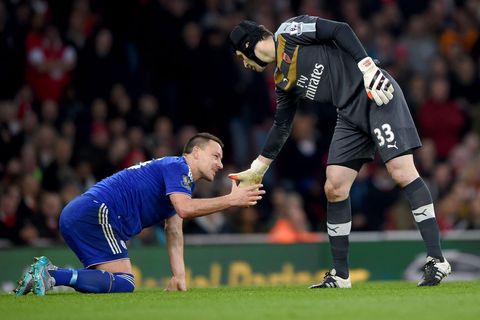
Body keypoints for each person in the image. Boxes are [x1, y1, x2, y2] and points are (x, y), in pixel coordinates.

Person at [229, 16, 451, 288]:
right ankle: (340, 275)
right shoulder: (282, 79)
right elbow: (282, 126)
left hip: (374, 93)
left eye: (242, 55)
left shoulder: (289, 32)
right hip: (348, 114)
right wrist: (258, 168)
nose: (245, 63)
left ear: (251, 44)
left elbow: (339, 30)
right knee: (334, 186)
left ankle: (437, 259)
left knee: (401, 171)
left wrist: (368, 67)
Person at [14, 133, 265, 295]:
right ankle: (50, 275)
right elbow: (185, 209)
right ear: (196, 153)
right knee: (124, 282)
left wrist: (179, 276)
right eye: (216, 156)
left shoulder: (181, 180)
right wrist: (231, 200)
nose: (220, 164)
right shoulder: (177, 166)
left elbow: (174, 229)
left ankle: (44, 275)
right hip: (97, 213)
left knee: (118, 283)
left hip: (84, 213)